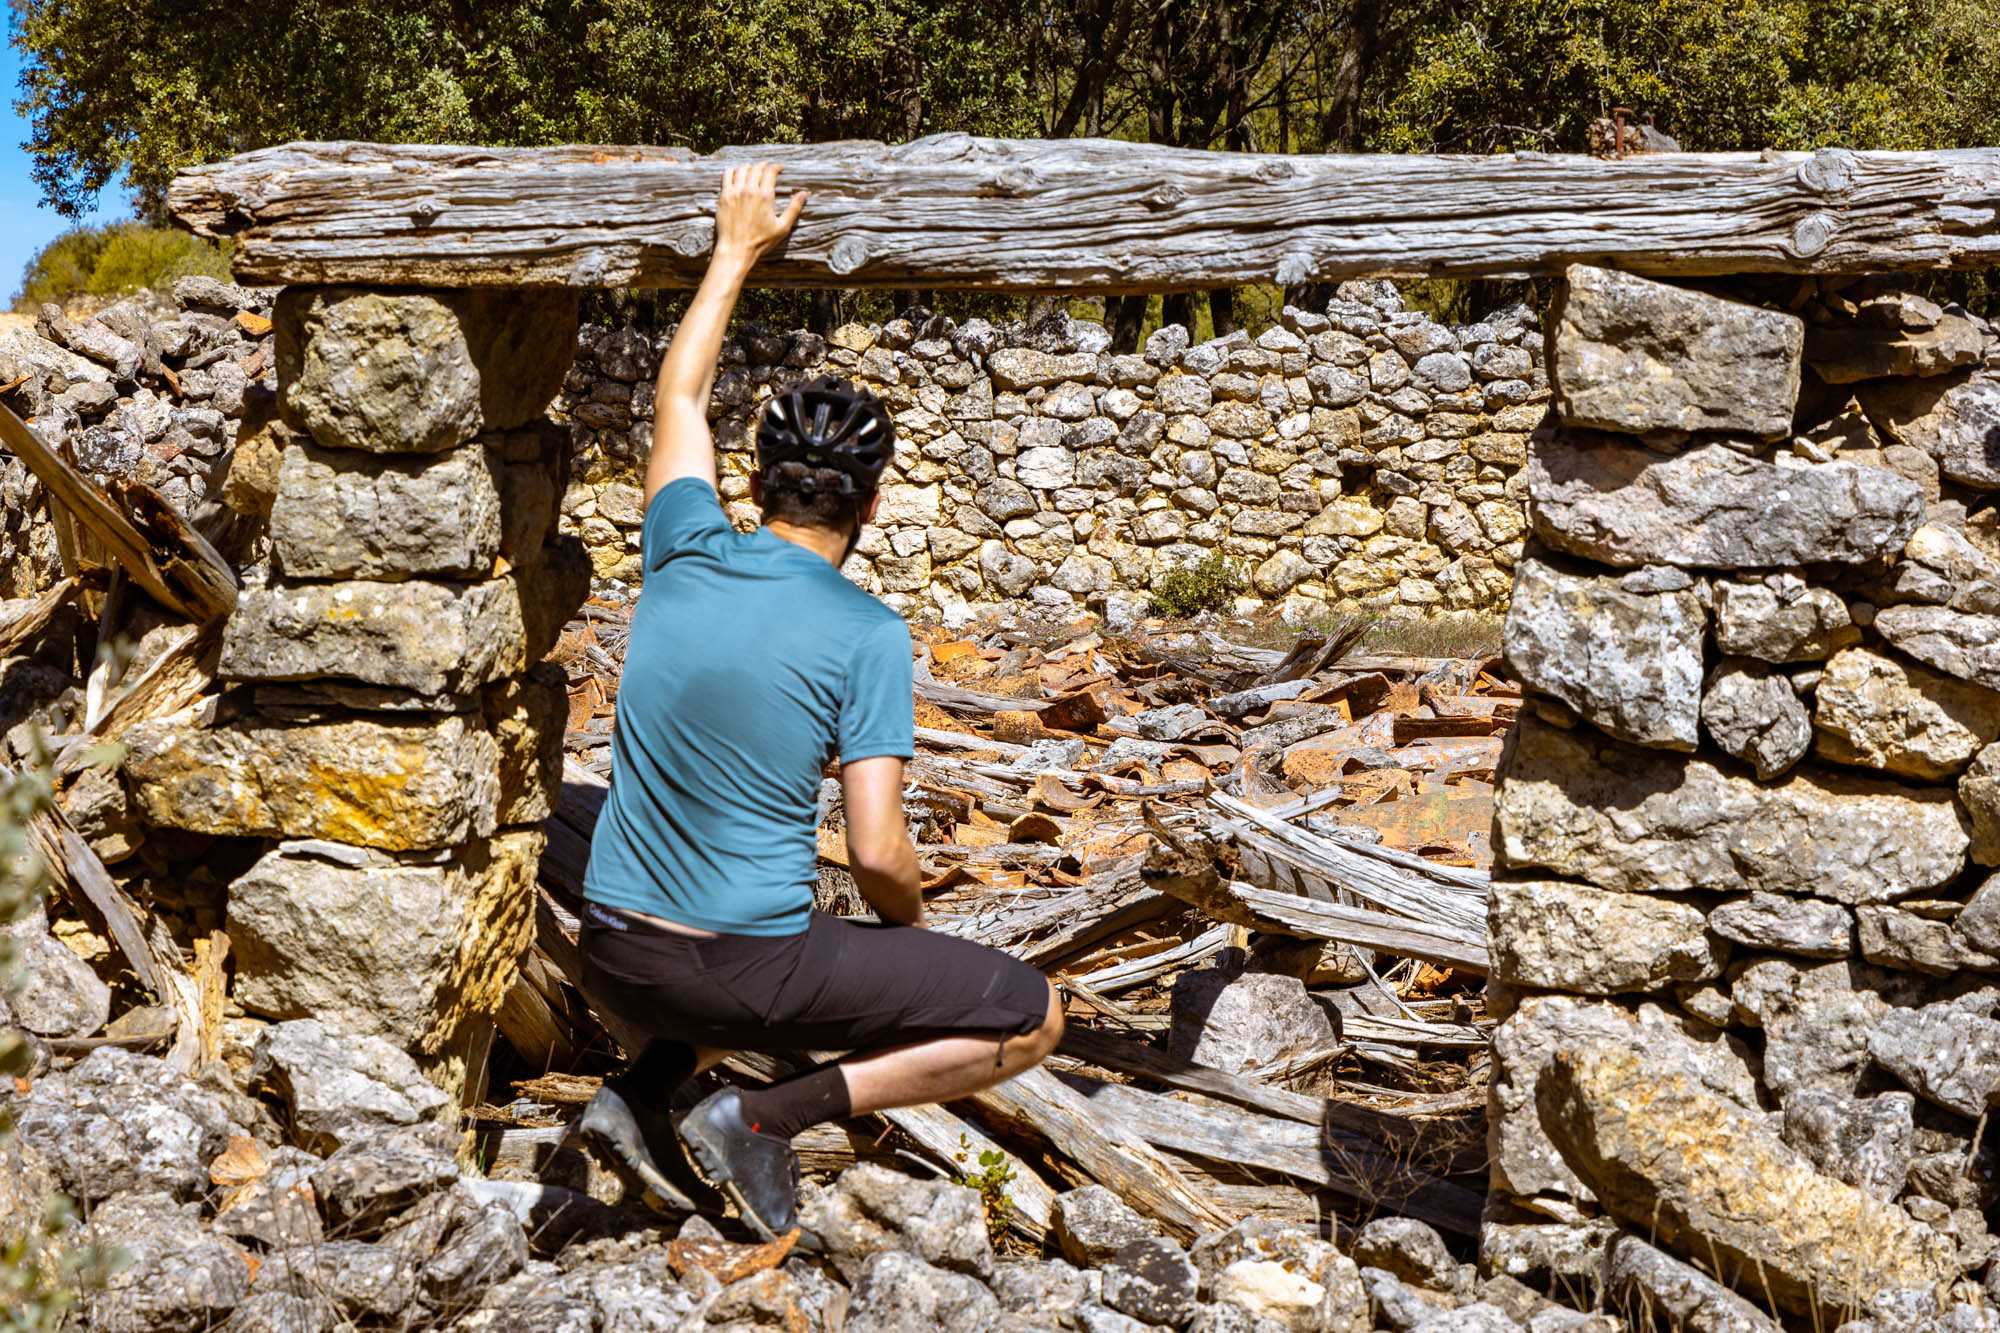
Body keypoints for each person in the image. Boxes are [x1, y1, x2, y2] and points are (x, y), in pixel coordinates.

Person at [574, 163, 1064, 1239]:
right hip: (729, 973)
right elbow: (879, 850)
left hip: (609, 948)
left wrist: (735, 250)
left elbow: (679, 395)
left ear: (749, 486)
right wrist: (911, 939)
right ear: (873, 506)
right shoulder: (865, 635)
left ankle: (642, 1088)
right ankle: (760, 1118)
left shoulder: (683, 548)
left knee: (726, 905)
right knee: (1029, 1014)